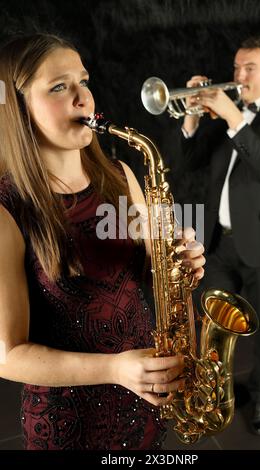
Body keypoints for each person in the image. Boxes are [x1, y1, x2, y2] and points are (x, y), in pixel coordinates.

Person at [0, 33, 205, 450]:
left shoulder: (121, 175)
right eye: (59, 86)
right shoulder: (7, 208)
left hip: (143, 402)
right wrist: (115, 371)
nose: (84, 99)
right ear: (18, 109)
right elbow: (7, 354)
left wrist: (181, 260)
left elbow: (157, 270)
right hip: (69, 424)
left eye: (84, 81)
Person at [180, 35, 260, 436]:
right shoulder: (226, 115)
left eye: (249, 68)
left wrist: (234, 117)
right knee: (212, 322)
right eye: (235, 67)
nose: (239, 75)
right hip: (219, 242)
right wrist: (193, 117)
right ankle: (217, 394)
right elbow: (192, 162)